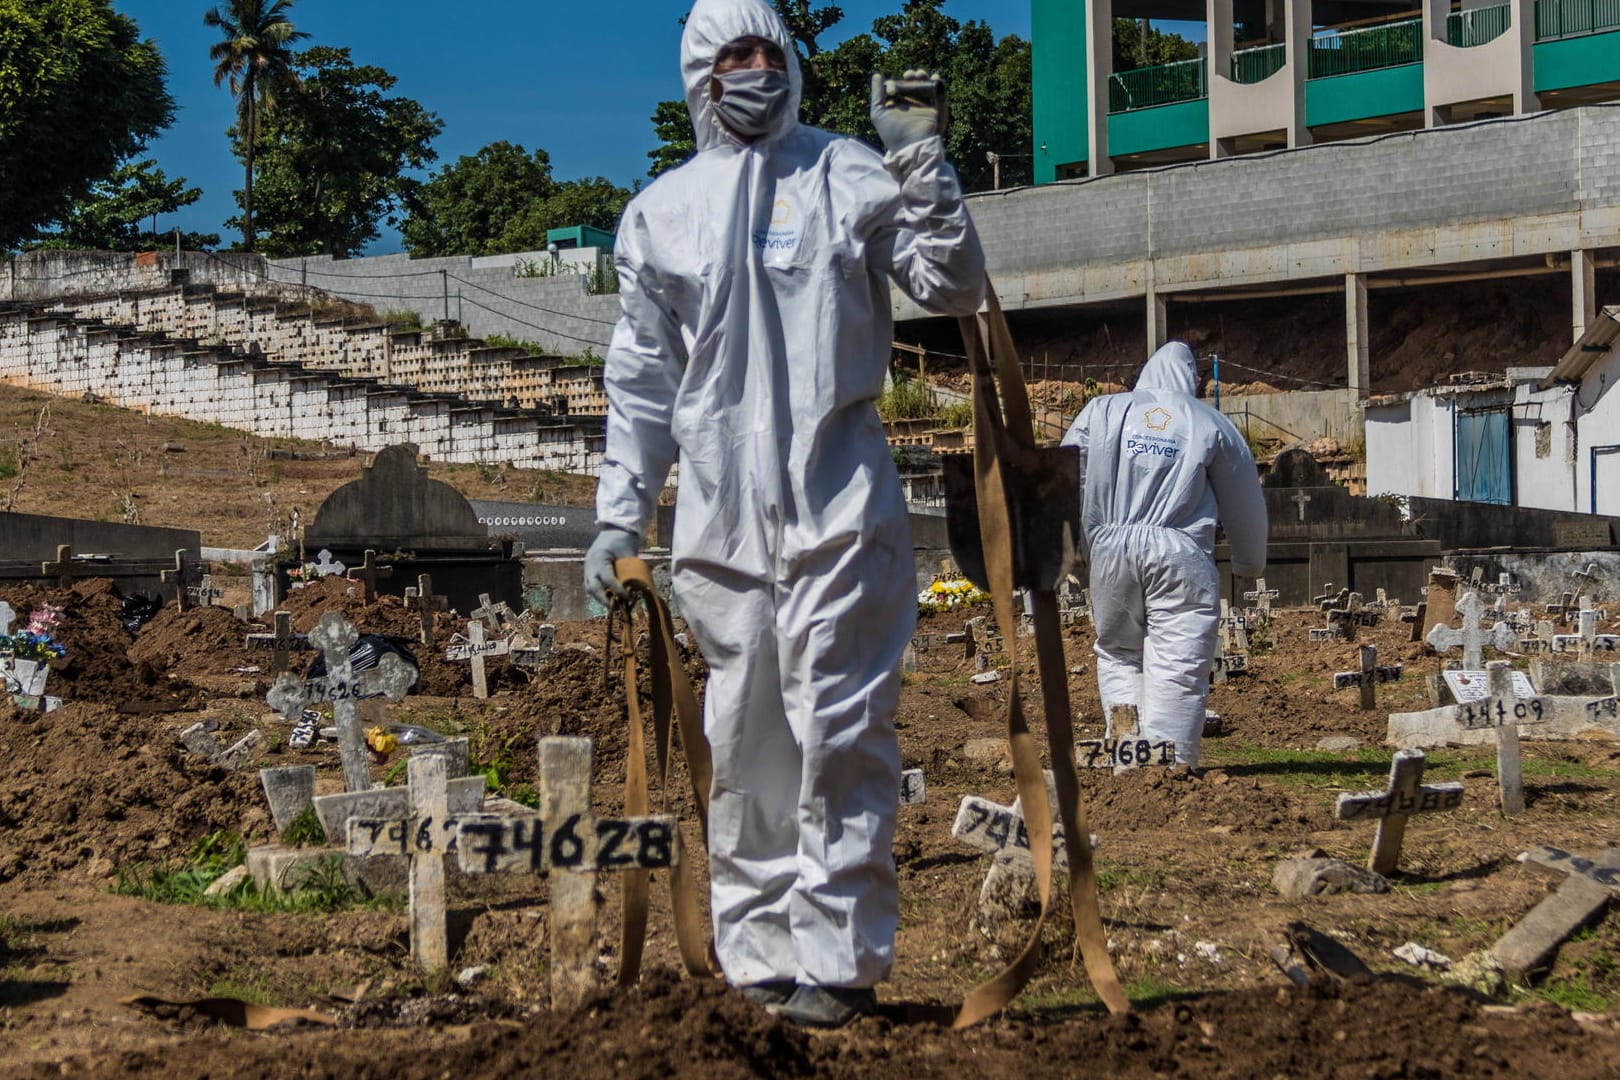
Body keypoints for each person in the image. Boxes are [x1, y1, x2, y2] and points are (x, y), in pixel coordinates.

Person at [583, 0, 984, 1029]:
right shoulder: (659, 213)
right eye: (734, 55)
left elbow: (952, 284)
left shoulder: (846, 170)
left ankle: (842, 961)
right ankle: (758, 955)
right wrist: (620, 515)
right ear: (700, 77)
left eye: (770, 51)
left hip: (838, 503)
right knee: (747, 736)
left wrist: (921, 160)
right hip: (721, 526)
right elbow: (642, 380)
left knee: (840, 730)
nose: (756, 69)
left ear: (793, 61)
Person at [1060, 341, 1267, 769]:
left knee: (1118, 651)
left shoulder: (1101, 411)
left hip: (1109, 549)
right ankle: (1168, 770)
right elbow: (1244, 497)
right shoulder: (1208, 421)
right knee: (1178, 660)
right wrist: (1250, 563)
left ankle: (1127, 760)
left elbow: (1066, 476)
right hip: (1180, 550)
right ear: (1191, 380)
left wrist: (1069, 552)